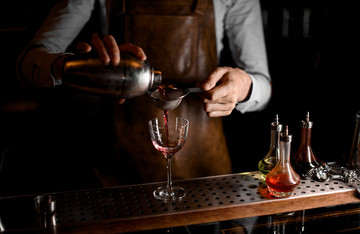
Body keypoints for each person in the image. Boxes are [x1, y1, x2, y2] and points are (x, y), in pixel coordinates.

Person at [17, 0, 271, 186]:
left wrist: (243, 85)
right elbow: (27, 64)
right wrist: (74, 67)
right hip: (117, 176)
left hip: (205, 178)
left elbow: (262, 85)